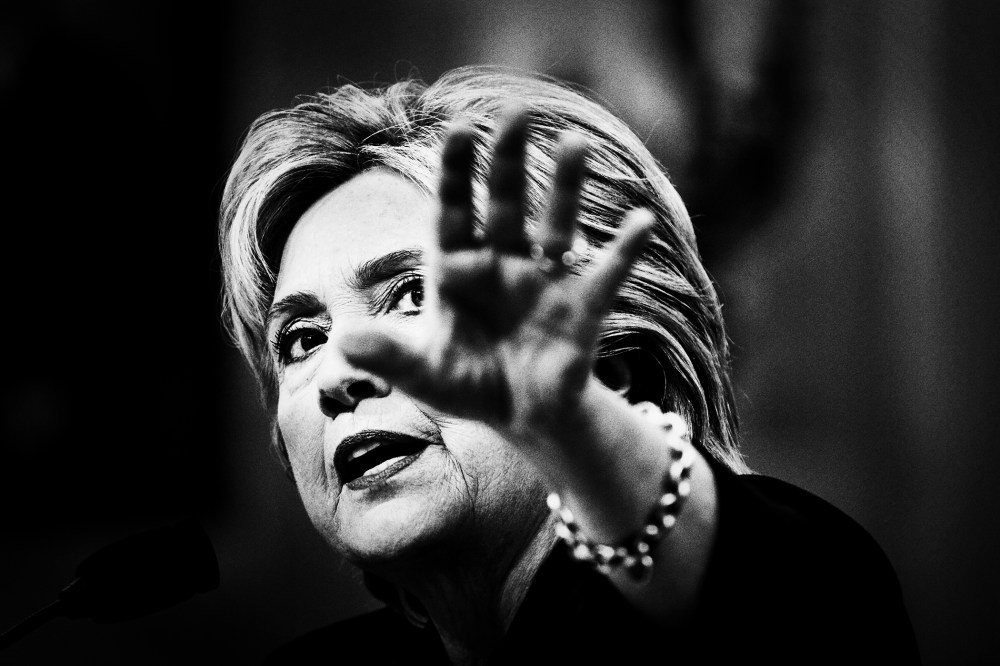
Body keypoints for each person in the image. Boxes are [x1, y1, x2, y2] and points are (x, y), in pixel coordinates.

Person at [218, 66, 920, 664]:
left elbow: (751, 596)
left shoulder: (797, 582)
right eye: (302, 339)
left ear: (612, 368)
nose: (340, 373)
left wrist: (572, 421)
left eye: (413, 294)